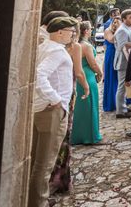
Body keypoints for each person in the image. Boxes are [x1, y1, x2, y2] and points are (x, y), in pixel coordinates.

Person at [29, 16, 76, 207]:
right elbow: (40, 75)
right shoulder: (56, 51)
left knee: (36, 160)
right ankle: (37, 202)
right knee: (45, 163)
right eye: (71, 31)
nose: (73, 35)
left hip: (41, 109)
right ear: (60, 32)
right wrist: (55, 98)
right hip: (52, 112)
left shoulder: (44, 47)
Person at [49, 19, 89, 195]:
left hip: (53, 94)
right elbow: (78, 72)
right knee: (64, 133)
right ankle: (60, 177)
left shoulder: (51, 45)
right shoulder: (74, 47)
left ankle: (54, 175)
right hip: (64, 93)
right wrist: (86, 87)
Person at [71, 21, 103, 145]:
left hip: (78, 76)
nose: (91, 30)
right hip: (87, 75)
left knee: (81, 107)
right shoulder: (86, 46)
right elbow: (93, 63)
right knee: (91, 105)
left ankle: (79, 135)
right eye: (90, 28)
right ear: (85, 31)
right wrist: (100, 73)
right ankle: (91, 136)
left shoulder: (75, 44)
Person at [114, 9, 131, 118]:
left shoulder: (128, 27)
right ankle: (120, 111)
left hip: (128, 60)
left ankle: (123, 106)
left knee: (125, 85)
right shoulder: (122, 30)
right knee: (122, 86)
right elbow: (123, 45)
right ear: (124, 19)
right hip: (123, 61)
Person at [102, 8, 120, 112]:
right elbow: (112, 40)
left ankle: (120, 100)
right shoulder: (108, 30)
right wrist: (118, 30)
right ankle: (111, 102)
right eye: (115, 21)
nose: (116, 23)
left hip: (119, 55)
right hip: (111, 54)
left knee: (119, 79)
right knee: (112, 78)